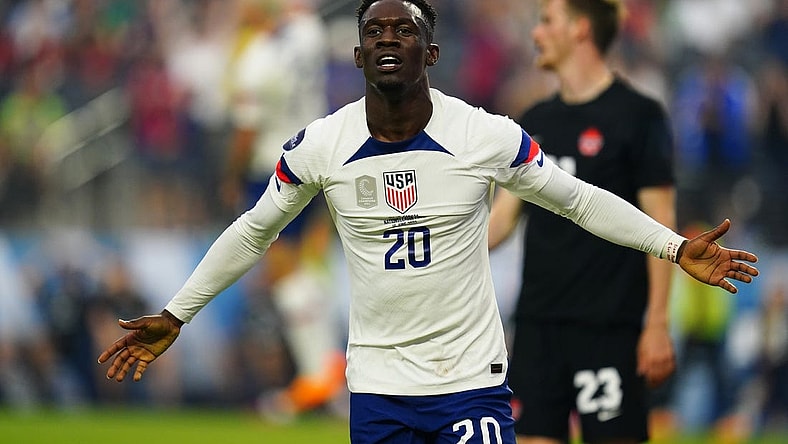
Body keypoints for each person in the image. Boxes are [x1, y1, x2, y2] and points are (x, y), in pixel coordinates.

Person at [98, 1, 759, 443]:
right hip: (378, 390)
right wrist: (178, 313)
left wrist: (674, 248)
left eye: (405, 30)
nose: (389, 39)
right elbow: (251, 230)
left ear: (431, 52)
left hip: (469, 386)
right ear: (357, 58)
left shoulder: (485, 136)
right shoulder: (320, 146)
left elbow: (578, 199)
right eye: (374, 33)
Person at [487, 1, 679, 443]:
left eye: (546, 21)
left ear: (580, 29)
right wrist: (436, 250)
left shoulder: (640, 117)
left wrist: (657, 324)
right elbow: (500, 222)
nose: (536, 34)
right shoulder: (534, 123)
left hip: (609, 327)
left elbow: (662, 225)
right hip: (539, 327)